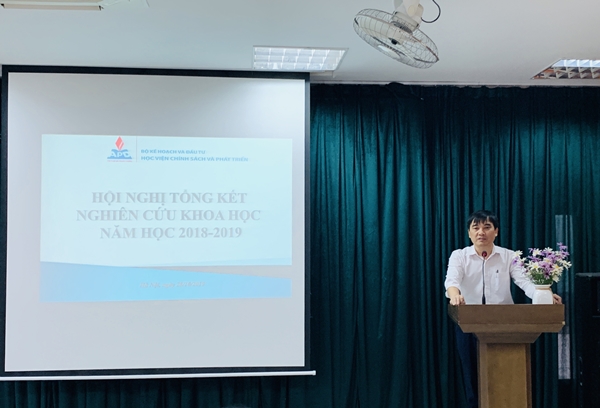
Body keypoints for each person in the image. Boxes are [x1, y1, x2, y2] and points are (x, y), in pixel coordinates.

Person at [444, 210, 561, 408]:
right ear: (469, 233)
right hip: (468, 323)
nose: (481, 232)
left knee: (506, 374)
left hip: (505, 324)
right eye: (476, 228)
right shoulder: (459, 256)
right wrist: (455, 295)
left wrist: (544, 294)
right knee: (471, 375)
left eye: (487, 227)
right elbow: (451, 281)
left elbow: (525, 283)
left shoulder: (508, 256)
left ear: (496, 231)